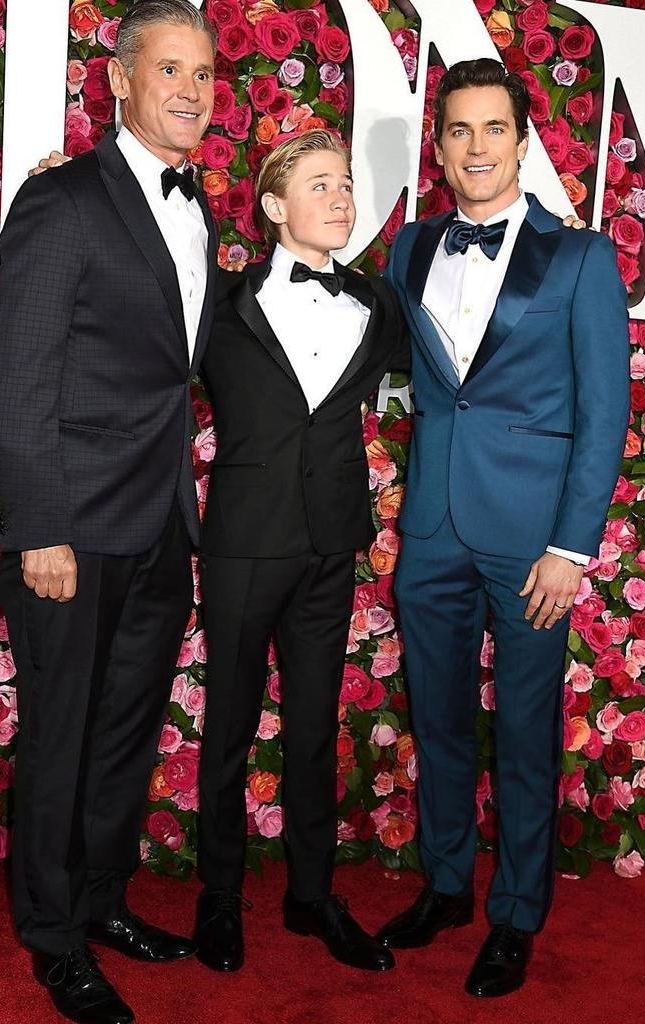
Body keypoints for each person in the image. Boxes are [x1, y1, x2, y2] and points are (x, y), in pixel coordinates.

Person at [375, 58, 630, 998]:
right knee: (437, 721)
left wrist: (570, 549)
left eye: (493, 129)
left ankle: (516, 913)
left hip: (532, 544)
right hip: (433, 528)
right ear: (437, 148)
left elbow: (605, 414)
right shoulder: (408, 250)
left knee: (523, 730)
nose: (476, 147)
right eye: (458, 131)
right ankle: (446, 884)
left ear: (523, 140)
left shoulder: (580, 258)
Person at [0, 3, 218, 1022]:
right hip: (70, 532)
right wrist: (40, 526)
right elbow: (24, 375)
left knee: (123, 732)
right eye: (170, 69)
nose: (191, 89)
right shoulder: (63, 200)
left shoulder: (198, 205)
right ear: (119, 80)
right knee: (59, 739)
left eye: (205, 73)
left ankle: (101, 902)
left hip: (161, 520)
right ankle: (50, 939)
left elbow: (174, 366)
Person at [192, 130, 404, 974]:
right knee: (230, 728)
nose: (342, 198)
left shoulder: (379, 305)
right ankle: (218, 899)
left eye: (345, 183)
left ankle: (312, 896)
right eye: (320, 184)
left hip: (330, 544)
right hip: (245, 542)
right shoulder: (219, 301)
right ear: (276, 208)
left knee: (315, 726)